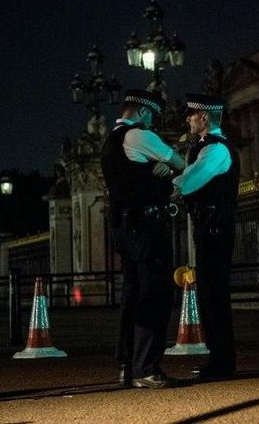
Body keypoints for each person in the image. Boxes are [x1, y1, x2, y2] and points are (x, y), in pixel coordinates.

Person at [101, 89, 186, 389]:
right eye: (151, 116)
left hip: (123, 227)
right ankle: (147, 368)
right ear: (140, 111)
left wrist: (153, 171)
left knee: (132, 295)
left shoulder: (110, 141)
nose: (152, 123)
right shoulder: (138, 136)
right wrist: (164, 172)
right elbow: (179, 162)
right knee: (155, 295)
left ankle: (126, 364)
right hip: (147, 226)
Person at [171, 93, 240, 380]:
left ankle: (223, 361)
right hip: (207, 227)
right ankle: (219, 358)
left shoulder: (217, 150)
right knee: (209, 294)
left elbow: (192, 179)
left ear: (205, 117)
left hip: (215, 227)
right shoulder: (204, 147)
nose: (188, 118)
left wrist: (167, 188)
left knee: (214, 295)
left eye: (192, 114)